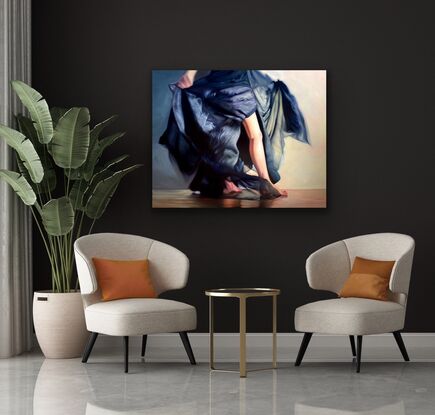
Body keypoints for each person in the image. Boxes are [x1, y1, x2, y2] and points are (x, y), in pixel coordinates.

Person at [160, 70, 309, 199]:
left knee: (224, 136)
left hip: (215, 87)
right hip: (237, 88)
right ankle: (265, 183)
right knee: (255, 136)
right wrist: (190, 73)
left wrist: (190, 73)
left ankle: (228, 183)